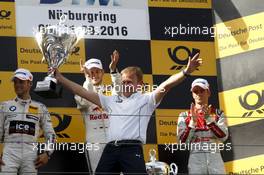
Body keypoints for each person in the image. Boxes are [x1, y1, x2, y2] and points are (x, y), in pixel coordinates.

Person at [52, 53, 202, 175]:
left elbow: (166, 85)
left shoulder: (147, 100)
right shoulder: (110, 100)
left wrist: (185, 72)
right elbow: (82, 92)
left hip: (131, 149)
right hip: (110, 149)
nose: (125, 85)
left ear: (140, 84)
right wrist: (60, 78)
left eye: (129, 82)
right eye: (123, 82)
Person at [0, 68, 56, 175]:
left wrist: (47, 153)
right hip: (10, 153)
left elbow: (51, 135)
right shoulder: (5, 106)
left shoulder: (40, 107)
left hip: (30, 155)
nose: (17, 85)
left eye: (21, 82)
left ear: (30, 83)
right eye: (15, 82)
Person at [74, 50, 121, 173]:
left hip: (114, 139)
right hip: (94, 140)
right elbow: (83, 102)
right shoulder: (81, 91)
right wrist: (88, 80)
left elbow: (120, 93)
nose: (94, 75)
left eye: (97, 71)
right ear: (86, 73)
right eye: (91, 72)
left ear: (103, 72)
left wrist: (114, 70)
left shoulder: (111, 90)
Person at [177, 78, 228, 174]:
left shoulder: (218, 114)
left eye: (202, 91)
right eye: (195, 91)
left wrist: (209, 119)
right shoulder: (184, 116)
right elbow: (182, 142)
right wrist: (192, 122)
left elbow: (224, 137)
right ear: (192, 94)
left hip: (215, 161)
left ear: (208, 92)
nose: (199, 94)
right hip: (196, 162)